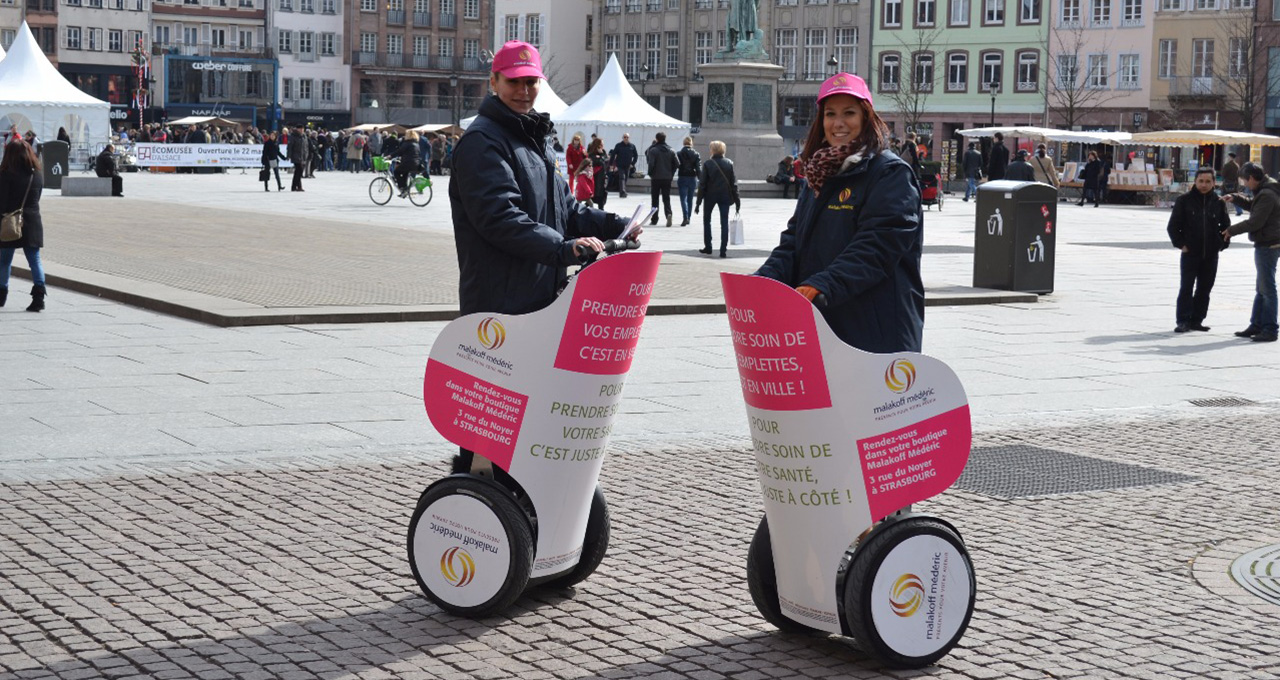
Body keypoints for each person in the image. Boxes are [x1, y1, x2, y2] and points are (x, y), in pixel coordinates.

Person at [448, 40, 637, 475]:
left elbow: (566, 211)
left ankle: (519, 493)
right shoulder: (482, 142)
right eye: (514, 82)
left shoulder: (536, 139)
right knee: (492, 420)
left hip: (540, 300)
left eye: (531, 81)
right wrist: (561, 249)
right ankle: (474, 492)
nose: (524, 90)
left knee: (529, 416)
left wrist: (615, 225)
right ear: (494, 82)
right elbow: (500, 218)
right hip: (499, 302)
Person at [755, 72, 923, 354]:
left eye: (849, 113)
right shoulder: (820, 174)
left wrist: (824, 284)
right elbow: (795, 241)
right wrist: (765, 279)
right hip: (826, 320)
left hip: (875, 328)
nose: (838, 123)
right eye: (830, 114)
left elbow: (878, 245)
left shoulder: (889, 173)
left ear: (866, 117)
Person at [1168, 168, 1232, 333]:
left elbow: (1226, 226)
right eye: (1201, 181)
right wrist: (1181, 244)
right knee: (1186, 287)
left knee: (1205, 288)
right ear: (1195, 181)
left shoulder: (1218, 202)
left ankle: (1197, 320)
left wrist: (1221, 244)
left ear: (1214, 183)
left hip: (1211, 254)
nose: (1204, 185)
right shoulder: (1184, 200)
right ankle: (1183, 320)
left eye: (1208, 181)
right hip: (1190, 253)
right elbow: (1173, 226)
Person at [1222, 162, 1280, 342]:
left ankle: (1270, 328)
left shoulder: (1267, 194)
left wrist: (1231, 230)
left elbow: (1255, 222)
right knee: (1261, 287)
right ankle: (1257, 324)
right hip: (1269, 242)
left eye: (1245, 181)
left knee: (1267, 288)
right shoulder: (1266, 189)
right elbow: (1255, 206)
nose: (1245, 185)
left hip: (1268, 244)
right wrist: (1236, 198)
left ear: (1252, 178)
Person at [0, 138, 47, 312]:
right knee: (34, 260)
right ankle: (39, 297)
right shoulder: (37, 174)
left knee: (5, 260)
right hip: (32, 221)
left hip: (10, 221)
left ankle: (1, 294)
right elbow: (37, 197)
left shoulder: (5, 174)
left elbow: (2, 202)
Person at [694, 140, 738, 258]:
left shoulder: (708, 164)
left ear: (712, 150)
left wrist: (698, 202)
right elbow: (733, 184)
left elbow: (702, 184)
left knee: (707, 221)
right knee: (724, 222)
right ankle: (723, 250)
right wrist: (737, 201)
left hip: (710, 196)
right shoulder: (729, 163)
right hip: (724, 196)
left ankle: (708, 246)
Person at [645, 132, 679, 227]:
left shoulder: (653, 150)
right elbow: (677, 164)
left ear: (657, 139)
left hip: (656, 177)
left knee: (655, 199)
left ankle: (654, 219)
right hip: (667, 177)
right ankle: (668, 214)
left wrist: (650, 173)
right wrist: (671, 173)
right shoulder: (671, 150)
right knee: (666, 198)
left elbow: (651, 164)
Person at [390, 130, 423, 196]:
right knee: (405, 173)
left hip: (408, 163)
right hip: (416, 164)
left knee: (396, 172)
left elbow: (400, 151)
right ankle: (405, 190)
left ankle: (402, 188)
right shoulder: (416, 144)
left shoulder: (407, 143)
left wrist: (390, 156)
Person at [676, 136, 700, 226]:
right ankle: (688, 218)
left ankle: (685, 217)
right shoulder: (696, 154)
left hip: (682, 177)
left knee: (683, 198)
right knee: (690, 198)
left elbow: (676, 165)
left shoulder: (679, 153)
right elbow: (698, 168)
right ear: (691, 143)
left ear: (683, 143)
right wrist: (700, 179)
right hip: (692, 178)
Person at [611, 133, 638, 198]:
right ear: (622, 138)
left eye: (627, 137)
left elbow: (636, 155)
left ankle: (622, 192)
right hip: (620, 165)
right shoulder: (618, 145)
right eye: (625, 137)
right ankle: (622, 192)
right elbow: (613, 154)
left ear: (629, 138)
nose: (626, 138)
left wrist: (632, 164)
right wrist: (611, 164)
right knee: (622, 178)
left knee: (625, 178)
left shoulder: (632, 146)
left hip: (628, 165)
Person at [588, 137, 610, 210]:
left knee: (603, 194)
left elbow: (606, 160)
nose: (602, 146)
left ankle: (601, 209)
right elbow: (597, 162)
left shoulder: (603, 152)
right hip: (595, 177)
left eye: (603, 144)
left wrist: (601, 155)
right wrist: (600, 157)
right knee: (594, 194)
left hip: (603, 176)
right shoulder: (592, 154)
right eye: (601, 144)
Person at [287, 126, 309, 191]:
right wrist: (289, 155)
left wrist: (306, 154)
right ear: (297, 129)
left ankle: (296, 186)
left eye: (302, 129)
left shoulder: (304, 136)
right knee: (299, 170)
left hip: (303, 156)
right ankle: (297, 186)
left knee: (298, 172)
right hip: (296, 155)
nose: (301, 130)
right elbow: (290, 146)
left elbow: (306, 146)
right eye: (300, 129)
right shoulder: (293, 136)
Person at [1222, 152, 1243, 216]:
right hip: (1235, 184)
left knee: (1223, 197)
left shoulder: (1227, 165)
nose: (1227, 158)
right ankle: (1239, 210)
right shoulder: (1237, 165)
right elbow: (1238, 175)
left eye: (1228, 157)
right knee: (1235, 197)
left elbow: (1223, 174)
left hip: (1227, 183)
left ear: (1230, 157)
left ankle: (1222, 210)